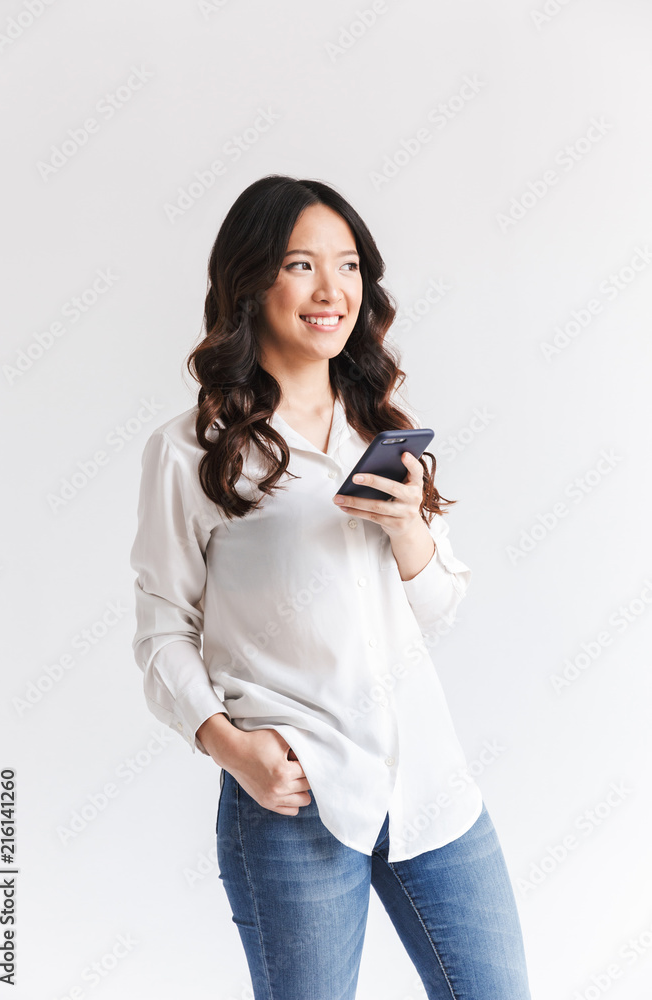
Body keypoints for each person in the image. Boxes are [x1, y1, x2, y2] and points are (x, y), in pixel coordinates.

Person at [130, 174, 532, 1000]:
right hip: (292, 800)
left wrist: (408, 528)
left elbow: (439, 606)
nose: (331, 291)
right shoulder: (193, 450)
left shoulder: (381, 427)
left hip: (429, 783)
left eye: (347, 266)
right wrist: (229, 747)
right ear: (250, 281)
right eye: (301, 265)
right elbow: (161, 628)